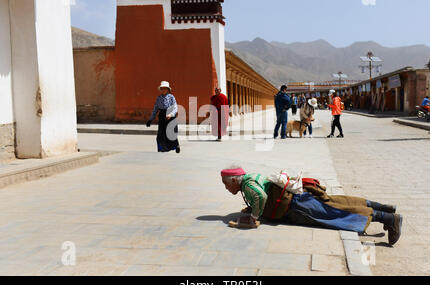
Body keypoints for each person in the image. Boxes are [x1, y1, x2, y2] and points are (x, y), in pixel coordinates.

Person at [220, 167, 403, 246]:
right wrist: (252, 207)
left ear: (235, 180)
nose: (226, 188)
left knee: (335, 213)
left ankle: (388, 218)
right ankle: (385, 209)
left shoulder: (247, 185)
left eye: (226, 185)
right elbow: (262, 191)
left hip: (295, 205)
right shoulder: (251, 176)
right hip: (298, 195)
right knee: (338, 202)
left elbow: (260, 195)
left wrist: (254, 217)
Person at [146, 81, 181, 153]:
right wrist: (150, 119)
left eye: (165, 88)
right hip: (162, 116)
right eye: (162, 88)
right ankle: (162, 148)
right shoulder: (158, 98)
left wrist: (171, 114)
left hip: (170, 115)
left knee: (171, 133)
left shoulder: (171, 97)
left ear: (168, 89)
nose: (163, 90)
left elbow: (175, 107)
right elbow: (155, 109)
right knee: (161, 133)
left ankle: (176, 145)